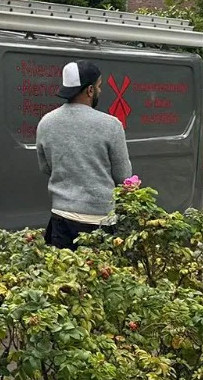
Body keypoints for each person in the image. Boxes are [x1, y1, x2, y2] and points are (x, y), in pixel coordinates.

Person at [36, 60, 132, 249]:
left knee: (63, 268)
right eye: (99, 86)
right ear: (90, 90)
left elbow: (45, 167)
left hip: (61, 217)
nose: (100, 91)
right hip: (99, 220)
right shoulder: (111, 125)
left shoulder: (46, 122)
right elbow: (123, 176)